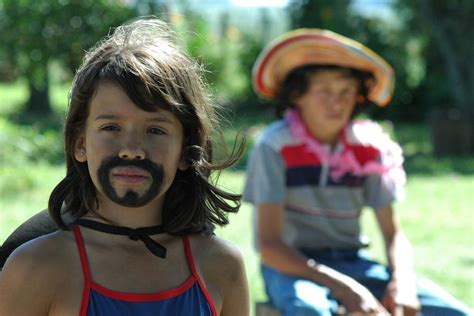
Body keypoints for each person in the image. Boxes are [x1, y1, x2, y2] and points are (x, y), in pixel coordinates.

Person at [0, 17, 249, 316]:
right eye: (111, 128)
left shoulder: (221, 267)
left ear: (186, 151)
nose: (132, 150)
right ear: (79, 143)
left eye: (156, 130)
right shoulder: (35, 267)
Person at [243, 28, 472, 316]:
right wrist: (345, 288)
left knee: (456, 312)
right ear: (296, 95)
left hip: (355, 262)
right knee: (309, 309)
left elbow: (393, 234)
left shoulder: (370, 147)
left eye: (346, 92)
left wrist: (402, 282)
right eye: (324, 91)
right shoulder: (273, 147)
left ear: (358, 98)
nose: (336, 102)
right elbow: (269, 245)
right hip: (292, 267)